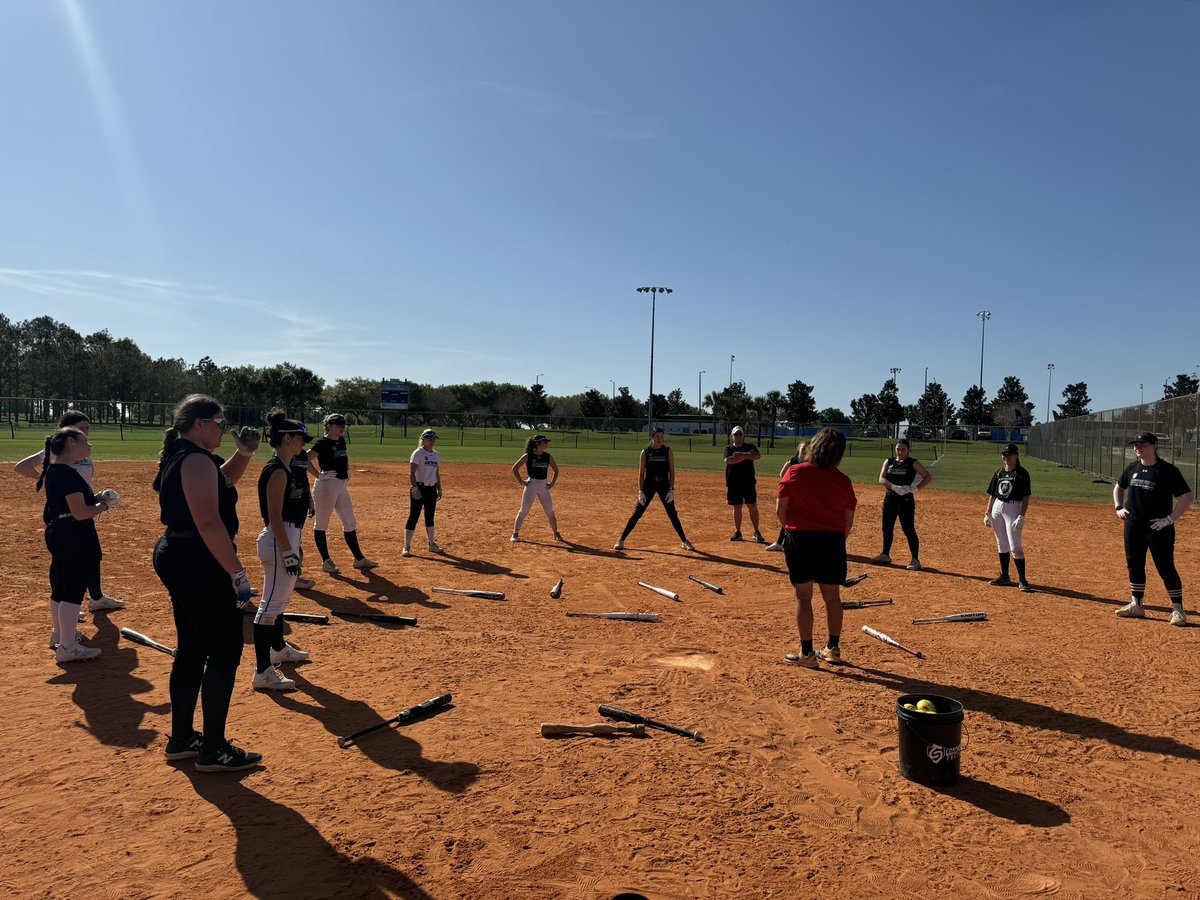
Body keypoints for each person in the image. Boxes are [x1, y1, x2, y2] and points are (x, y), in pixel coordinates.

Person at [151, 394, 262, 772]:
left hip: (180, 553)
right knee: (226, 650)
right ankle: (213, 749)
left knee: (193, 648)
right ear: (199, 422)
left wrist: (244, 454)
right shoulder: (195, 459)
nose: (224, 429)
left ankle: (182, 738)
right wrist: (236, 572)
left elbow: (217, 484)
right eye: (220, 422)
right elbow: (209, 522)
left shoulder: (183, 454)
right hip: (199, 558)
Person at [16, 410, 125, 612]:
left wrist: (97, 496)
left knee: (93, 554)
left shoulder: (81, 453)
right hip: (66, 512)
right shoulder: (57, 452)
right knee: (65, 560)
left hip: (83, 504)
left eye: (87, 428)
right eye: (80, 428)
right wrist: (48, 480)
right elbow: (21, 467)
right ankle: (66, 600)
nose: (85, 432)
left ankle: (95, 597)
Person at [776, 427, 857, 668]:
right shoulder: (843, 481)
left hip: (800, 539)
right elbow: (848, 522)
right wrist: (834, 540)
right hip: (831, 541)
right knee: (832, 597)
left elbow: (780, 511)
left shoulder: (794, 473)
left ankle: (807, 654)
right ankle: (832, 649)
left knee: (803, 596)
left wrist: (792, 530)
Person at [36, 427, 114, 662]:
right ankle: (68, 647)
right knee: (73, 589)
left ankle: (60, 635)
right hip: (74, 534)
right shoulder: (68, 474)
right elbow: (80, 513)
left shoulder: (56, 470)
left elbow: (74, 504)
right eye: (85, 441)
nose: (89, 446)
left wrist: (98, 497)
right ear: (71, 442)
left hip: (61, 532)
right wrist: (106, 506)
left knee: (61, 586)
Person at [251, 410, 315, 692]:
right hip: (280, 539)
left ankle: (277, 649)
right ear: (286, 439)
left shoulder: (286, 467)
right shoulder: (277, 470)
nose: (303, 444)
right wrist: (289, 551)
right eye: (300, 439)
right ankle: (263, 672)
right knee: (268, 608)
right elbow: (274, 517)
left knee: (277, 602)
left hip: (287, 537)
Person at [1113, 432, 1194, 625]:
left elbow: (1187, 496)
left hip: (1159, 528)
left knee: (1165, 567)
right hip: (1133, 525)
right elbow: (1118, 487)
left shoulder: (1167, 471)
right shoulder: (1132, 468)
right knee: (1134, 564)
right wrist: (1118, 507)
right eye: (1135, 445)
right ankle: (1137, 605)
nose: (1138, 448)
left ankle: (1178, 610)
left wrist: (1170, 519)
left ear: (1155, 446)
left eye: (1143, 445)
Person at [308, 413, 378, 574]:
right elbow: (305, 458)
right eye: (338, 424)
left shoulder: (340, 440)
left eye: (343, 424)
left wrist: (347, 471)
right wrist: (319, 475)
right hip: (326, 486)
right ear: (329, 426)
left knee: (350, 522)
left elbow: (345, 458)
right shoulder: (322, 443)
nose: (342, 427)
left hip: (341, 486)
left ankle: (359, 559)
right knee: (321, 524)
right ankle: (326, 561)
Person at [614, 427, 695, 552]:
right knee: (637, 513)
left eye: (661, 437)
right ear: (652, 438)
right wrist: (640, 492)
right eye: (657, 437)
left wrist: (671, 489)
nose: (659, 439)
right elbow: (641, 475)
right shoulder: (645, 452)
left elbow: (672, 472)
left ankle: (684, 541)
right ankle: (621, 539)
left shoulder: (667, 451)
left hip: (664, 485)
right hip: (649, 485)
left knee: (672, 514)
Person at [871, 438, 934, 570]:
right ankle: (885, 555)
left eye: (903, 449)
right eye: (898, 449)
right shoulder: (889, 461)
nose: (900, 451)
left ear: (908, 450)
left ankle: (915, 560)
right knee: (887, 527)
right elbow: (881, 478)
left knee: (908, 528)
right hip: (890, 497)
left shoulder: (913, 462)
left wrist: (915, 488)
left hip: (905, 500)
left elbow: (927, 476)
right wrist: (893, 487)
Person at [984, 442, 1033, 592]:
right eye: (1005, 455)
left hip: (1013, 508)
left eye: (1010, 454)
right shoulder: (999, 473)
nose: (1007, 457)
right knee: (1001, 543)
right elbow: (992, 494)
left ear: (1016, 456)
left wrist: (1022, 516)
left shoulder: (1021, 473)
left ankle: (1022, 580)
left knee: (1015, 545)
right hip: (998, 507)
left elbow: (1026, 496)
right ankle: (1005, 576)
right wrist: (987, 512)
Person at [510, 435, 564, 543]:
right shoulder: (528, 456)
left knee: (550, 512)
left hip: (543, 486)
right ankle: (515, 533)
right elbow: (514, 468)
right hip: (531, 485)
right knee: (523, 511)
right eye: (544, 442)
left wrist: (552, 483)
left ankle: (556, 532)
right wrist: (521, 481)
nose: (546, 444)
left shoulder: (548, 456)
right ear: (537, 444)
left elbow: (556, 470)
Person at [404, 429, 445, 556]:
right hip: (419, 488)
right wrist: (414, 487)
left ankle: (432, 544)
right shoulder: (418, 453)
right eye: (430, 438)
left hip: (431, 488)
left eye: (434, 438)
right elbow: (411, 473)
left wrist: (439, 488)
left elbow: (436, 473)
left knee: (430, 516)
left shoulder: (436, 455)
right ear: (423, 439)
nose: (432, 440)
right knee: (414, 516)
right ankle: (407, 546)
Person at [724, 426, 765, 543]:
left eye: (740, 434)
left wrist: (741, 456)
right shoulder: (728, 448)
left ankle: (756, 532)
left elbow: (757, 455)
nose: (738, 436)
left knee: (752, 506)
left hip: (748, 482)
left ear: (743, 435)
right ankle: (738, 532)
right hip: (733, 483)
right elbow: (728, 461)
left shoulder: (750, 446)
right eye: (735, 434)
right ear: (732, 436)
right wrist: (747, 456)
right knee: (737, 507)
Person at [766, 441, 808, 551]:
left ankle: (789, 542)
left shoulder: (811, 462)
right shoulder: (792, 461)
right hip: (792, 493)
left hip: (805, 494)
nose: (804, 450)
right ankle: (780, 542)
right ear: (799, 449)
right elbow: (782, 474)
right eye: (803, 448)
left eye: (807, 448)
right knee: (788, 516)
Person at [290, 446, 317, 591]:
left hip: (301, 501)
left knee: (296, 539)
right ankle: (292, 577)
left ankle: (294, 575)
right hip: (288, 503)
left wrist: (310, 499)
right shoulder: (283, 456)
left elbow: (304, 478)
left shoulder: (301, 455)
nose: (302, 443)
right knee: (291, 540)